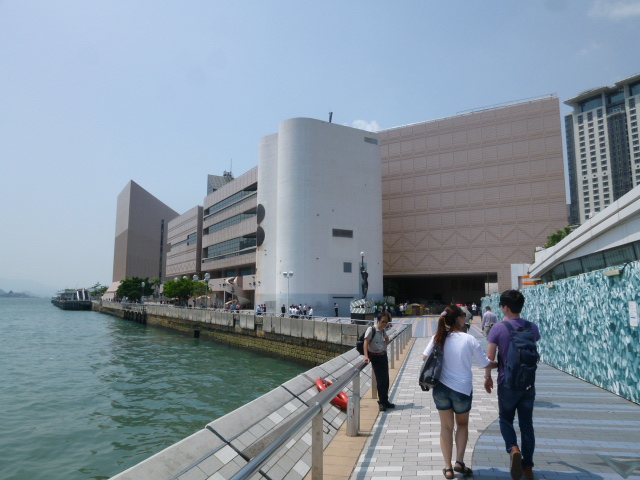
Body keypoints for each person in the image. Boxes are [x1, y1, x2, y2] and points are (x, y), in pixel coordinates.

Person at [423, 305, 496, 479]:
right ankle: (459, 462)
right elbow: (485, 363)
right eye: (464, 316)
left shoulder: (438, 337)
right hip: (462, 390)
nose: (465, 319)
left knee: (446, 427)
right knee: (462, 425)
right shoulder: (468, 339)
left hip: (440, 388)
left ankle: (448, 468)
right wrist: (500, 364)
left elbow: (425, 357)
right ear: (458, 319)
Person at [484, 290, 541, 480]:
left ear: (506, 308)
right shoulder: (532, 327)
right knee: (527, 425)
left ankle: (513, 448)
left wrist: (487, 377)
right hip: (528, 384)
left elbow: (490, 358)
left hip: (507, 382)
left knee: (505, 419)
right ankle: (528, 467)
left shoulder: (498, 328)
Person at [363, 311, 395, 412]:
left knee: (386, 380)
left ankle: (385, 400)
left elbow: (387, 339)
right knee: (381, 381)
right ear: (378, 321)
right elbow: (366, 343)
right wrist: (366, 356)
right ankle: (381, 402)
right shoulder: (371, 329)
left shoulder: (382, 330)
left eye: (386, 322)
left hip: (383, 356)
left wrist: (384, 347)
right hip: (375, 357)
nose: (385, 324)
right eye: (383, 322)